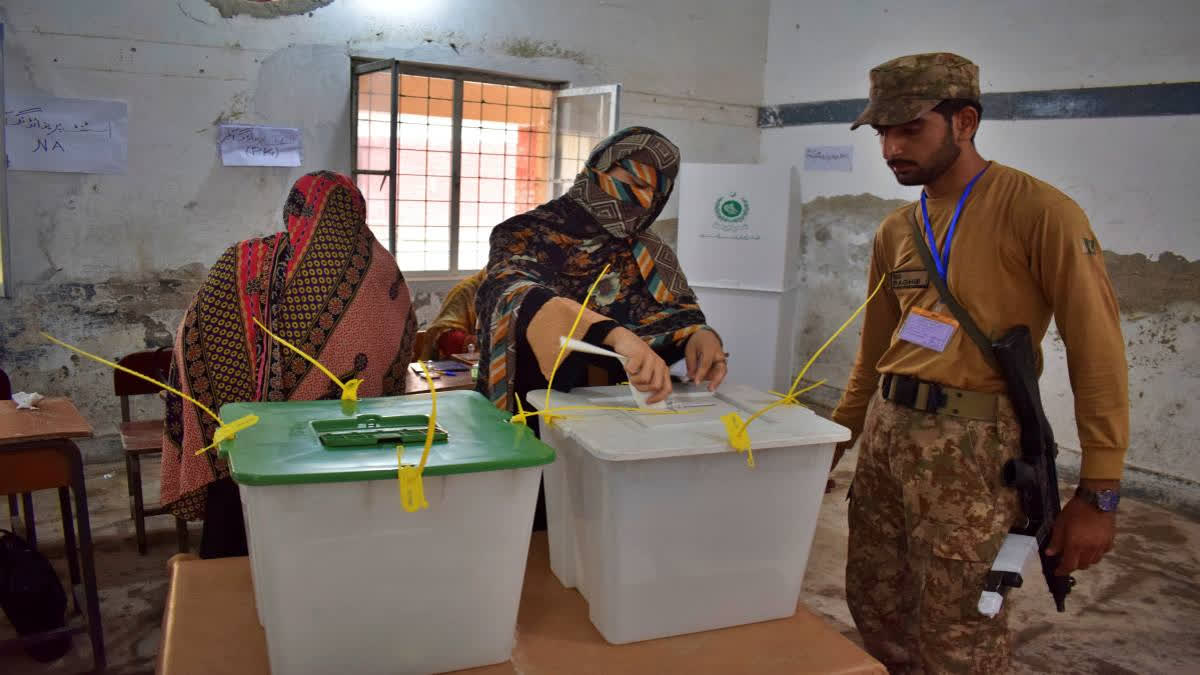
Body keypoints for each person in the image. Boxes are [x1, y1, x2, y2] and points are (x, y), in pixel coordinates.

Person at [832, 53, 1129, 673]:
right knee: (874, 602)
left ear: (964, 121)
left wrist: (1099, 490)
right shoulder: (898, 228)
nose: (890, 148)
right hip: (889, 437)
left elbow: (1096, 348)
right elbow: (875, 348)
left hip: (973, 449)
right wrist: (838, 436)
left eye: (909, 128)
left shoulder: (1039, 212)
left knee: (960, 626)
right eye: (882, 132)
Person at [160, 171, 419, 559]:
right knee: (336, 559)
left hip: (251, 450)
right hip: (351, 453)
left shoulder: (247, 262)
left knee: (241, 564)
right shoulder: (384, 272)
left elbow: (194, 337)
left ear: (293, 210)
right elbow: (396, 363)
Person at [475, 127, 728, 415]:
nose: (644, 202)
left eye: (655, 194)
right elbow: (515, 293)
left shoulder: (647, 248)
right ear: (596, 170)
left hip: (620, 410)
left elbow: (675, 312)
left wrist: (700, 335)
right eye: (633, 182)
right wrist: (615, 335)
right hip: (536, 406)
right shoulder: (522, 232)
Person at [421, 268, 486, 360]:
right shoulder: (466, 290)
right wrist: (486, 343)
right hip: (458, 366)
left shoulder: (510, 292)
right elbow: (443, 333)